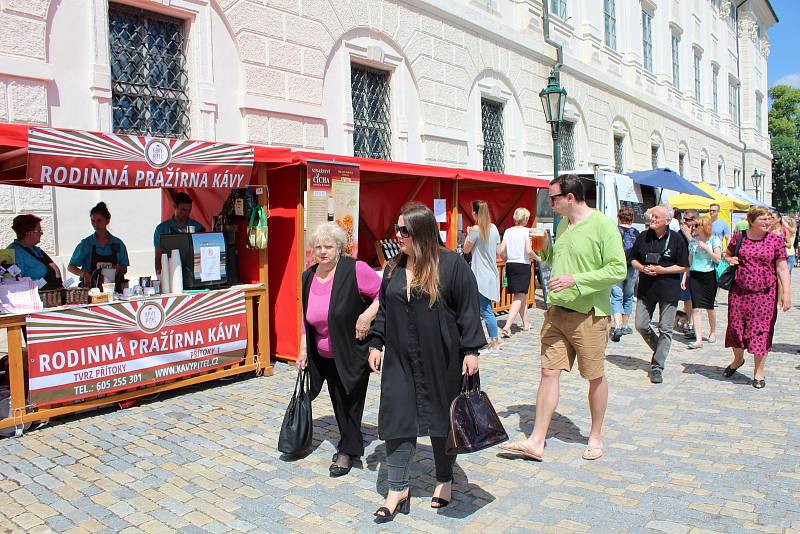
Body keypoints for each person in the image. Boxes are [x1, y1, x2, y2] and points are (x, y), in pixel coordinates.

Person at [367, 203, 485, 521]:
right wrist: (376, 342)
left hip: (442, 357)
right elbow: (386, 310)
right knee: (397, 419)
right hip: (400, 360)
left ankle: (444, 480)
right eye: (397, 228)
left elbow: (468, 309)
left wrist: (472, 350)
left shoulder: (452, 265)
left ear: (421, 231)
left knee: (441, 420)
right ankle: (397, 489)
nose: (398, 235)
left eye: (404, 230)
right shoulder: (393, 267)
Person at [499, 175, 626, 463]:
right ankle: (536, 440)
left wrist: (575, 280)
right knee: (548, 372)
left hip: (590, 316)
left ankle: (595, 435)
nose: (549, 202)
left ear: (570, 197)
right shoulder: (561, 225)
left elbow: (618, 269)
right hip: (557, 312)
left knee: (594, 376)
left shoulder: (603, 225)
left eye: (553, 197)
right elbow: (556, 261)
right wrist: (544, 249)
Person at [298, 222, 380, 477]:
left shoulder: (356, 270)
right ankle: (349, 440)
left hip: (352, 349)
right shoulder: (309, 275)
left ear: (340, 248)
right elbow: (304, 315)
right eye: (318, 247)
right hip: (322, 352)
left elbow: (383, 295)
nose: (322, 252)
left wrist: (367, 316)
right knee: (337, 398)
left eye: (328, 247)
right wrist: (303, 346)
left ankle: (347, 451)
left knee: (351, 400)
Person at [722, 207, 791, 388]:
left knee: (761, 332)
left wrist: (787, 294)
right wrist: (728, 259)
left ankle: (759, 372)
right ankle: (738, 360)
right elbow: (726, 253)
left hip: (765, 294)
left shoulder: (776, 241)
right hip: (739, 292)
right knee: (736, 329)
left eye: (770, 219)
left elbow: (782, 268)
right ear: (752, 221)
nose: (768, 222)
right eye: (763, 219)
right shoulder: (740, 236)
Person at [630, 204, 689, 384]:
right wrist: (642, 268)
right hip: (646, 288)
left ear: (667, 221)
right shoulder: (643, 236)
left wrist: (662, 270)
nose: (652, 219)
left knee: (666, 328)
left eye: (656, 217)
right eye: (652, 216)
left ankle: (657, 366)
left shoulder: (677, 239)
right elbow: (633, 259)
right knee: (640, 324)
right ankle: (660, 350)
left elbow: (684, 266)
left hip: (668, 288)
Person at [463, 199, 502, 352]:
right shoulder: (493, 228)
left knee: (485, 310)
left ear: (474, 212)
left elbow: (466, 249)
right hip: (491, 274)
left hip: (479, 275)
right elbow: (499, 251)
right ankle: (491, 341)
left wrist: (468, 234)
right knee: (486, 309)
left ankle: (494, 342)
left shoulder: (475, 229)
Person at [67, 202, 129, 290]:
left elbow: (124, 269)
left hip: (113, 290)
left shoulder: (118, 243)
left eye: (99, 221)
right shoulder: (86, 243)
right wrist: (84, 274)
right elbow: (71, 267)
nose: (96, 225)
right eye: (93, 221)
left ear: (107, 220)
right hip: (92, 290)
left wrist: (119, 269)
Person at [498, 207, 535, 337]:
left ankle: (526, 323)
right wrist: (538, 258)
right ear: (525, 219)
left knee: (521, 294)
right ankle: (507, 326)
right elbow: (529, 251)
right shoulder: (527, 231)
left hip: (510, 265)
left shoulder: (508, 231)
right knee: (519, 296)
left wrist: (506, 259)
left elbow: (500, 250)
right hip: (522, 265)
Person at [686, 216, 722, 349]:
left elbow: (718, 259)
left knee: (709, 307)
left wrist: (707, 248)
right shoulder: (693, 241)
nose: (694, 228)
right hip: (695, 276)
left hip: (709, 276)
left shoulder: (714, 239)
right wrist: (685, 276)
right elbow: (689, 261)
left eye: (697, 226)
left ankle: (712, 332)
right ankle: (698, 339)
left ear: (704, 227)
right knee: (696, 308)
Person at [154, 192, 206, 273]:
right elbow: (158, 256)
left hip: (193, 272)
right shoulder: (161, 229)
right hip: (170, 272)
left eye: (189, 210)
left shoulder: (198, 227)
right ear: (175, 206)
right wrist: (159, 275)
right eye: (183, 210)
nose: (186, 213)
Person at [7, 214, 63, 290]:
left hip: (51, 296)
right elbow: (14, 282)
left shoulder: (36, 249)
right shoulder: (13, 252)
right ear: (28, 233)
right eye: (39, 231)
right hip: (33, 298)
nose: (41, 233)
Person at [609, 207, 639, 342]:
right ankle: (625, 325)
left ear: (618, 217)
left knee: (616, 296)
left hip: (616, 267)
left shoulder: (614, 231)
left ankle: (617, 325)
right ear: (632, 218)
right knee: (628, 295)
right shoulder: (636, 232)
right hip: (632, 267)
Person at [678, 209, 699, 338]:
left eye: (689, 219)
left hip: (697, 269)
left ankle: (692, 324)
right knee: (686, 298)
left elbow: (698, 248)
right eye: (684, 219)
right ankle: (688, 321)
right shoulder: (679, 233)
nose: (685, 222)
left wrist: (688, 235)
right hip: (683, 268)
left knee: (695, 299)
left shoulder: (699, 233)